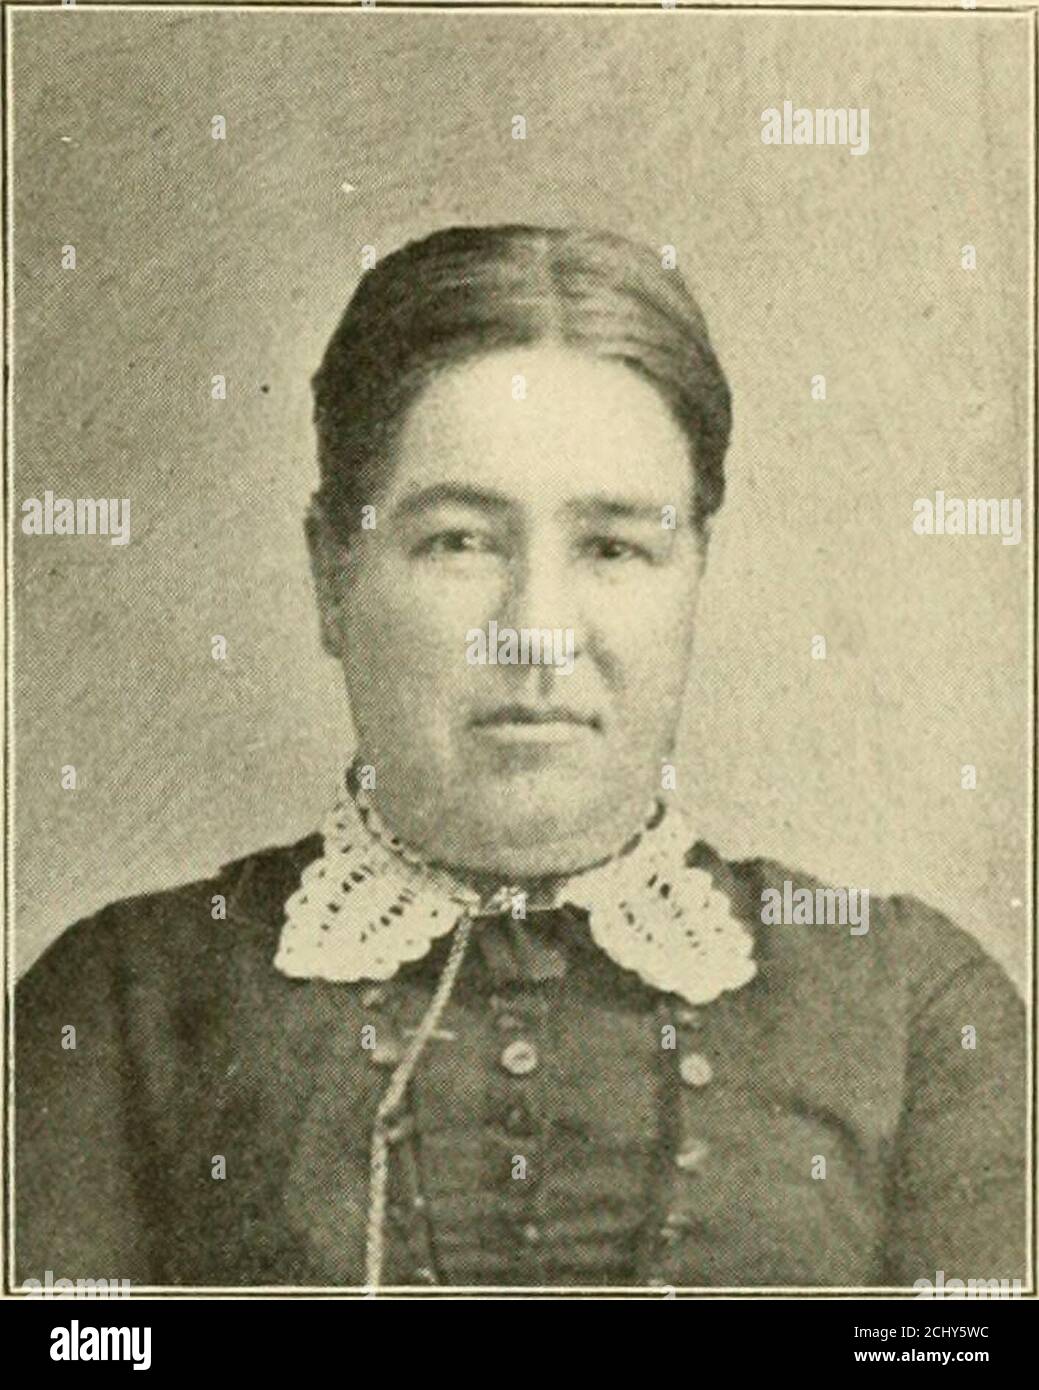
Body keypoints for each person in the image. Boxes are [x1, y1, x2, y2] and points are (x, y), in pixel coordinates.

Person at [16, 225, 1025, 1290]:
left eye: (613, 547)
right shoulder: (121, 1006)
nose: (536, 632)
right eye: (459, 541)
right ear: (332, 577)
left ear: (695, 573)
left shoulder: (910, 1010)